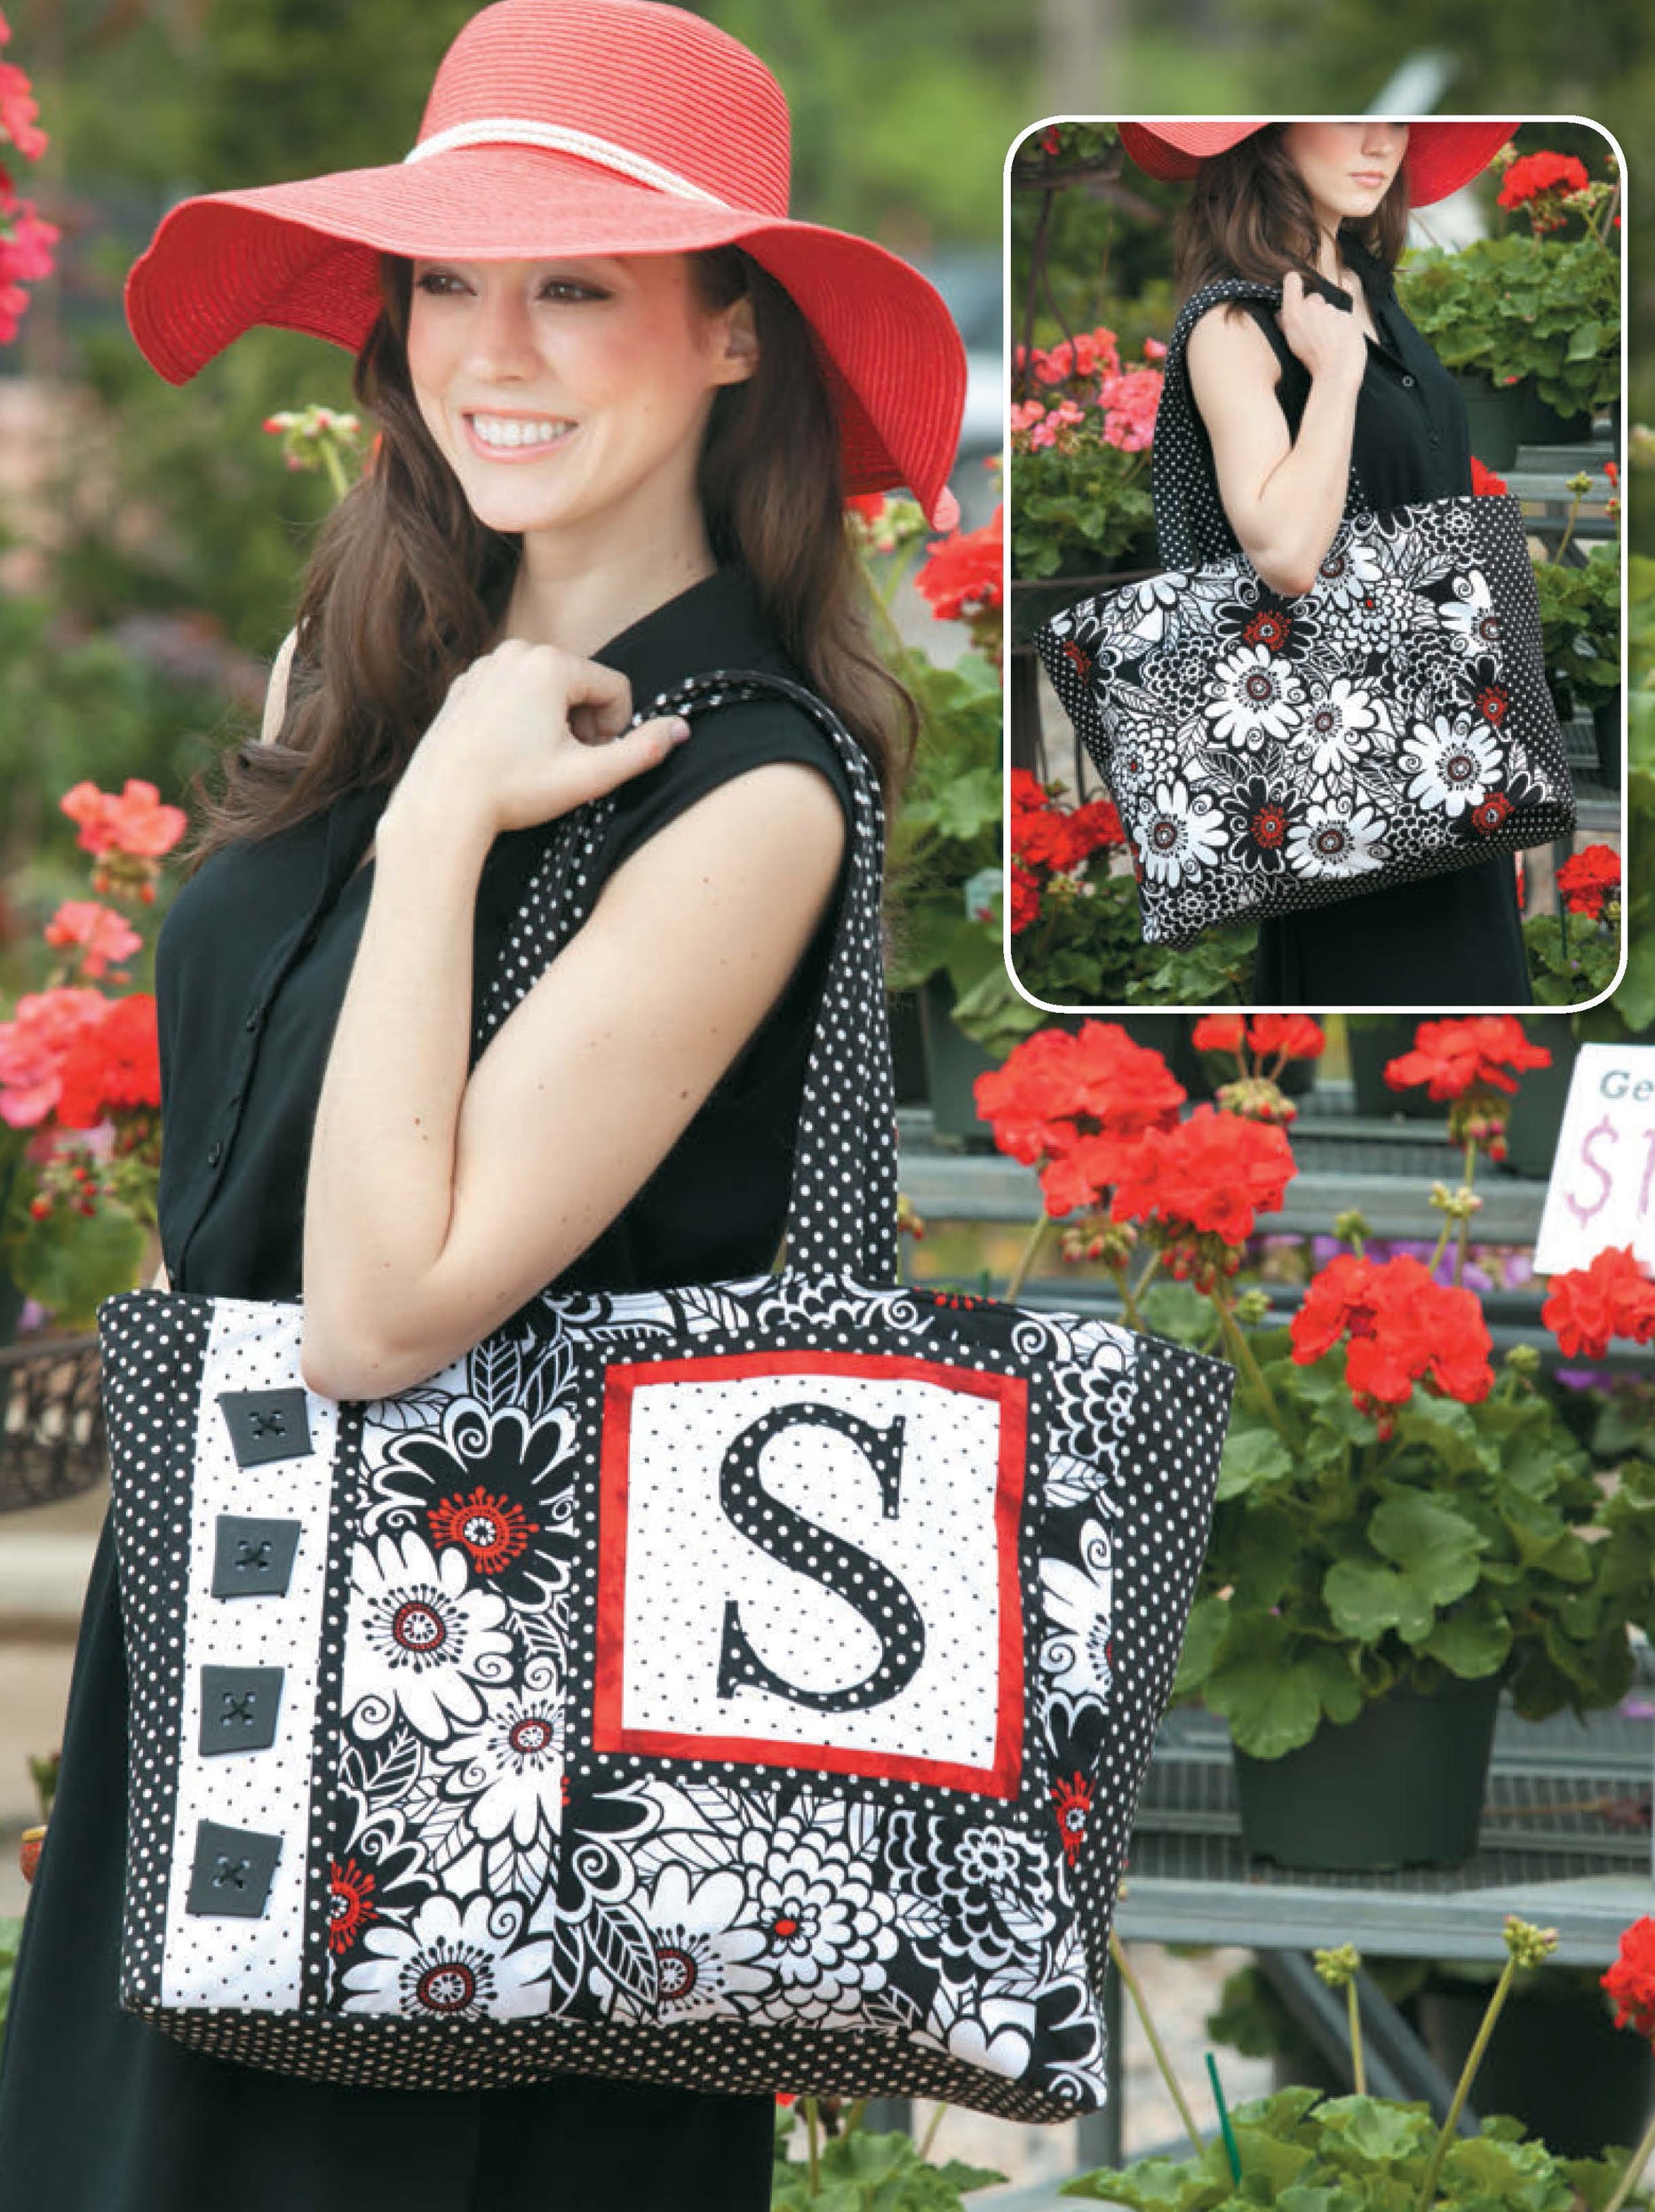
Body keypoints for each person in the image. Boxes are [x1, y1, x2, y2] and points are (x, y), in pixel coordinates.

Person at [0, 3, 965, 2207]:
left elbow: (378, 1308)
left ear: (737, 335)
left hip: (517, 1775)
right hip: (238, 1670)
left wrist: (444, 827)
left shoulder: (752, 790)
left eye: (575, 285)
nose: (487, 346)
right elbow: (225, 1212)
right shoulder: (357, 685)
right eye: (447, 279)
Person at [1119, 116, 1534, 1007]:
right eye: (1347, 124)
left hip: (1444, 757)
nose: (1379, 146)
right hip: (1336, 775)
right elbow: (1284, 553)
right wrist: (1336, 376)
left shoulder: (1369, 291)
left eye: (1392, 126)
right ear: (1267, 140)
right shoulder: (1233, 320)